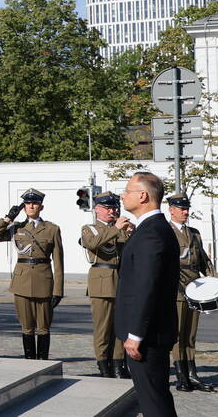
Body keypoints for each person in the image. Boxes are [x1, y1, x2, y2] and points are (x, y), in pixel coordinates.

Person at [116, 172, 180, 417]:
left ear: (142, 196)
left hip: (147, 336)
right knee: (155, 396)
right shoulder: (153, 228)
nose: (123, 195)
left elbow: (147, 286)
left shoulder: (151, 232)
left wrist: (135, 334)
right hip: (150, 332)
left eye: (127, 190)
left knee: (153, 400)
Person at [0, 188, 64, 360]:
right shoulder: (16, 227)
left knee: (44, 327)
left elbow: (59, 262)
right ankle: (29, 361)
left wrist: (58, 290)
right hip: (21, 282)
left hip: (44, 281)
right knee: (26, 326)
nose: (31, 206)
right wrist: (8, 218)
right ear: (24, 207)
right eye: (28, 203)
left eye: (35, 203)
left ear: (41, 207)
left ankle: (43, 361)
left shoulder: (52, 229)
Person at [167, 193, 217, 393]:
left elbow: (204, 260)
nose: (185, 212)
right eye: (181, 209)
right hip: (176, 288)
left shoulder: (194, 233)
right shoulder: (166, 232)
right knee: (178, 333)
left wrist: (214, 278)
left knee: (191, 333)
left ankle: (192, 374)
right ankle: (181, 376)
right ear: (171, 210)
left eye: (187, 208)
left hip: (195, 287)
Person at [80, 192, 133, 379]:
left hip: (120, 280)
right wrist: (116, 228)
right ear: (97, 209)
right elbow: (93, 243)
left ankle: (119, 364)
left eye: (114, 208)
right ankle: (103, 365)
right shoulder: (90, 228)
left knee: (120, 327)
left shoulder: (120, 228)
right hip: (101, 281)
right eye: (107, 208)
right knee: (103, 328)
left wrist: (130, 232)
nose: (112, 211)